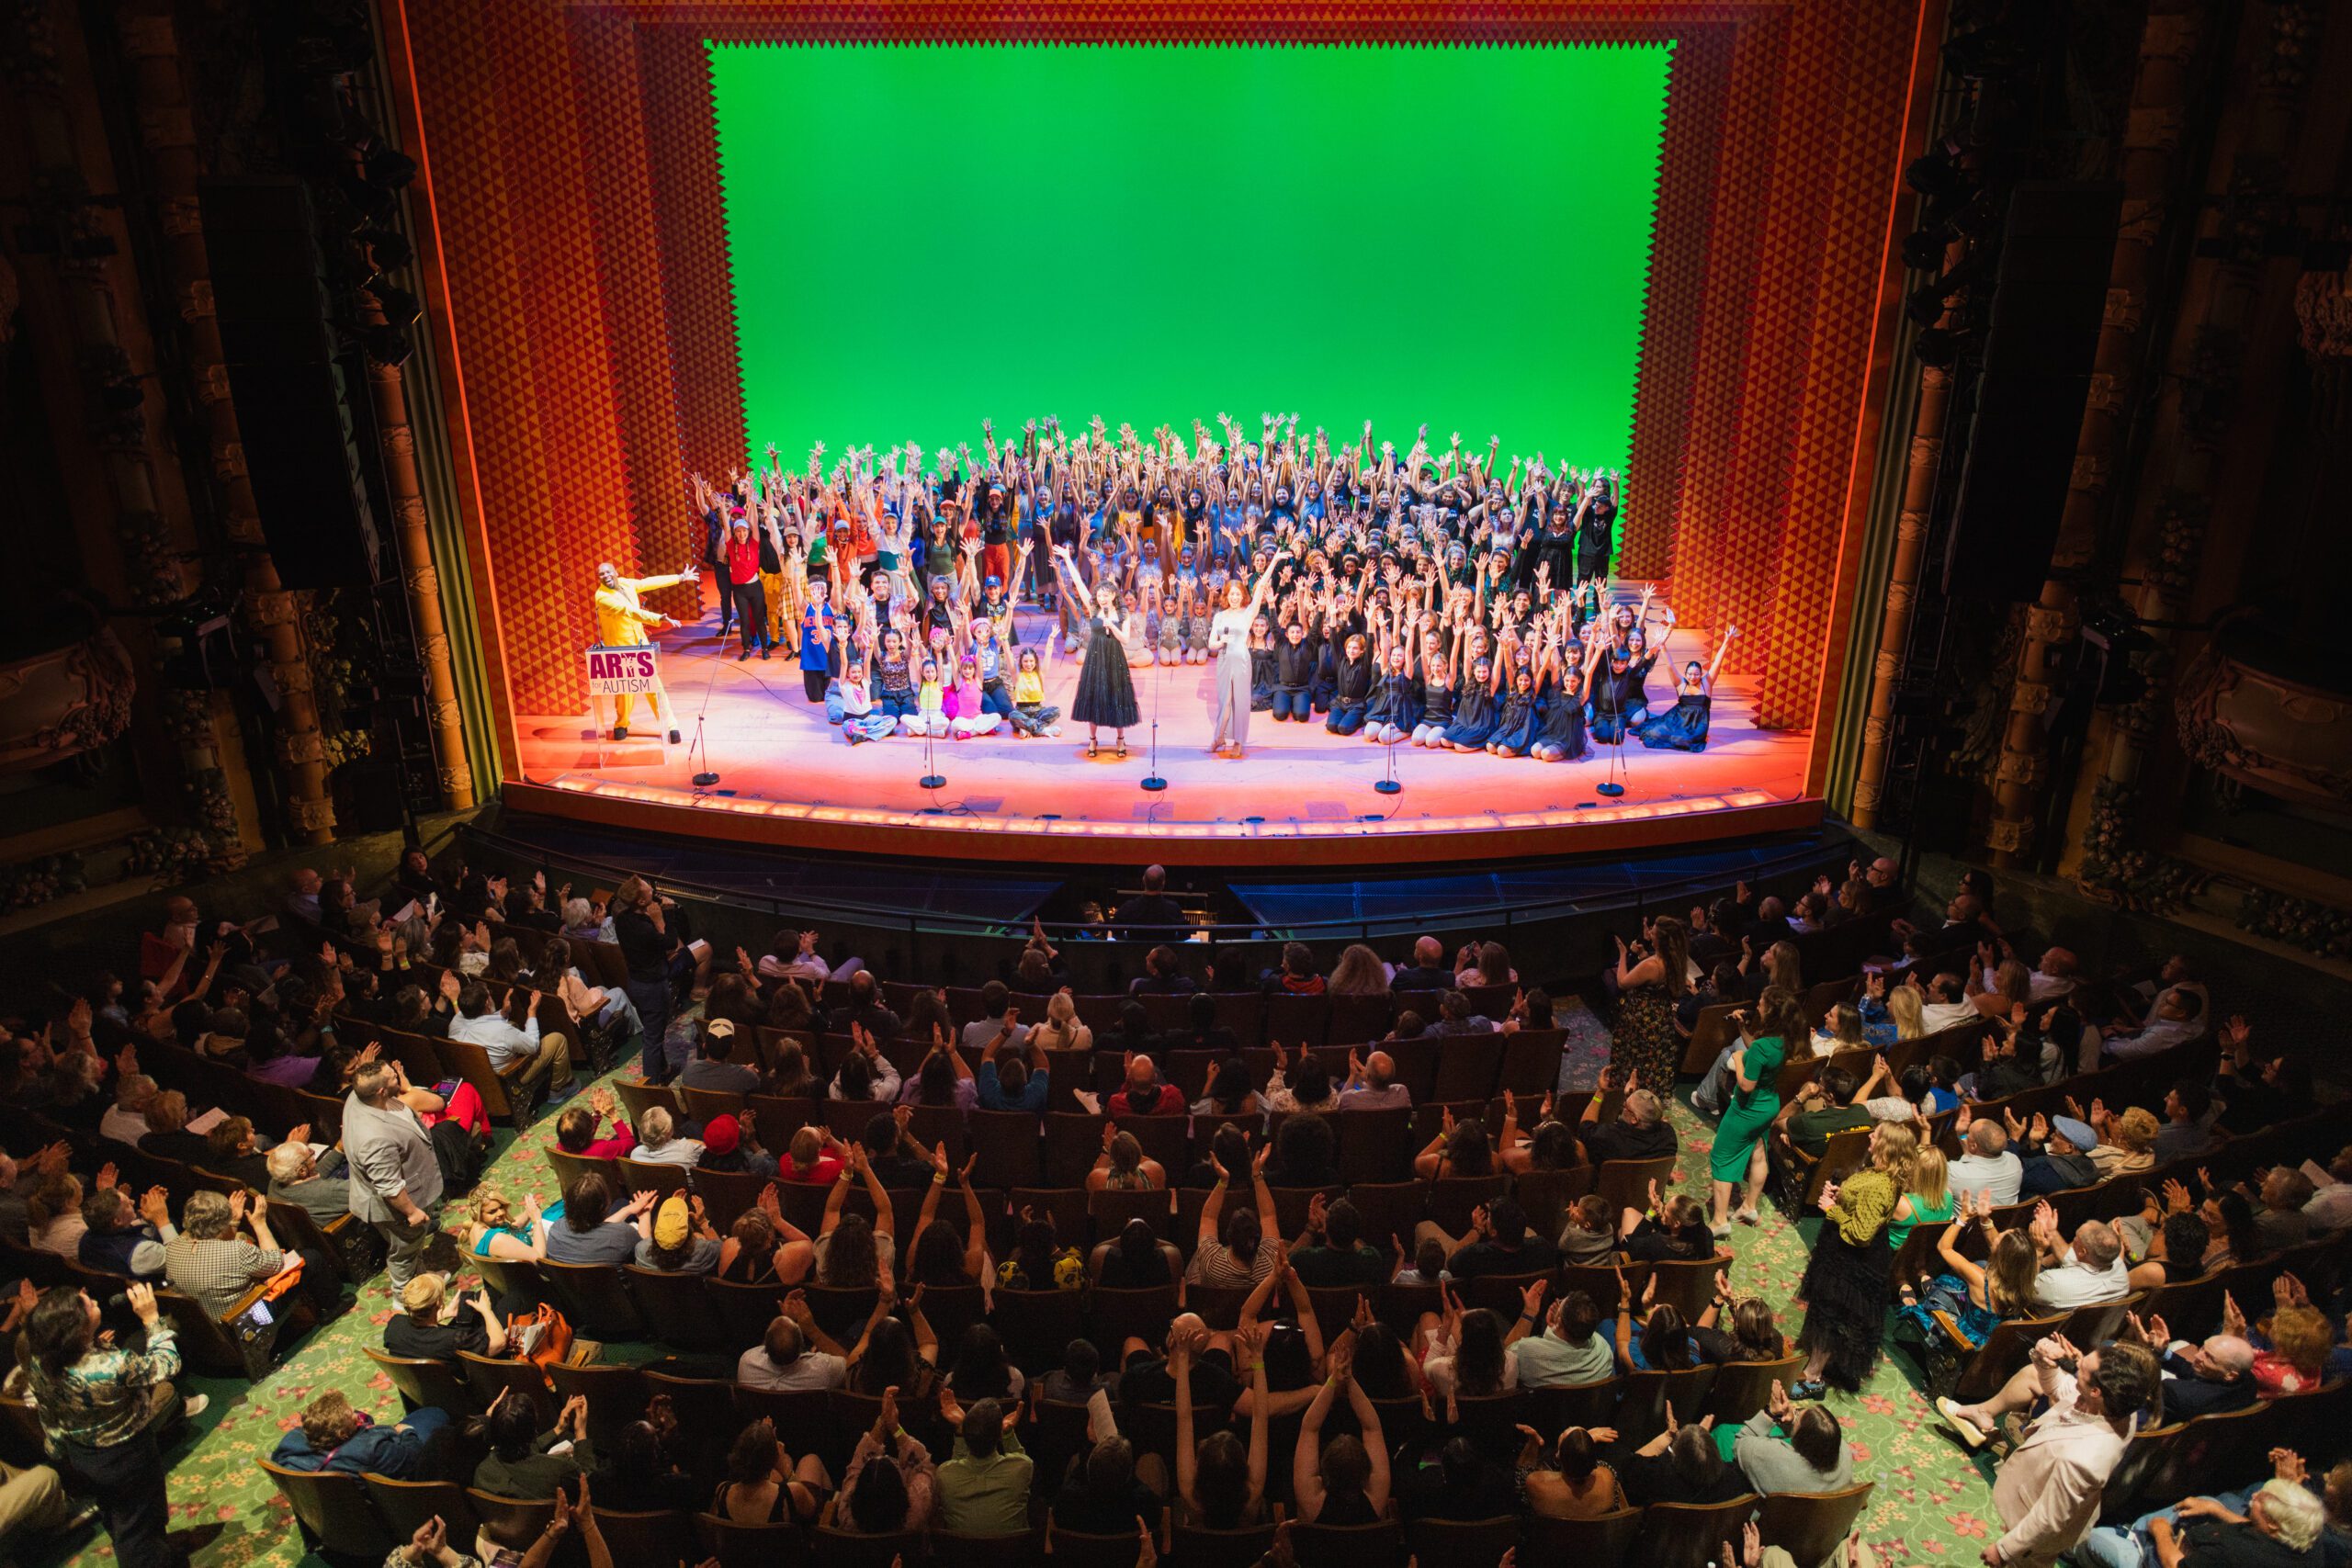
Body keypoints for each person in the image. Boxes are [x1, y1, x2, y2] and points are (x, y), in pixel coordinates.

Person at [25, 1282, 187, 1566]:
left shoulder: (42, 1360)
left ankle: (160, 1551)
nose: (90, 1299)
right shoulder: (112, 1366)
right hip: (126, 1454)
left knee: (119, 1515)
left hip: (84, 1454)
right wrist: (151, 1319)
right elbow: (168, 1364)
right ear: (78, 1328)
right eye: (85, 1304)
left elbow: (48, 1410)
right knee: (137, 1528)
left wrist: (56, 1448)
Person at [1965, 1336, 2160, 1568]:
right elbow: (2059, 1388)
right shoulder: (2118, 1406)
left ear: (2096, 1391)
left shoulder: (2083, 1459)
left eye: (2082, 1369)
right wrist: (2046, 1364)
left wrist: (2004, 1550)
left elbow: (2048, 1519)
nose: (2075, 1364)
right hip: (2034, 1489)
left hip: (2034, 1524)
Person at [1791, 1121, 1915, 1397]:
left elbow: (1860, 1233)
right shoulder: (1881, 1174)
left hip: (1853, 1259)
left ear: (1887, 1146)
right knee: (1827, 1310)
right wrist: (1842, 1198)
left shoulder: (1880, 1186)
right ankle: (1816, 1363)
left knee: (1831, 1314)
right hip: (1847, 1253)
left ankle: (1812, 1377)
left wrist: (1833, 1209)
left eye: (1876, 1134)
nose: (1870, 1135)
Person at [344, 1060, 444, 1292]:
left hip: (409, 1187)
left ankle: (423, 1282)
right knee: (404, 1252)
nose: (397, 1077)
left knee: (414, 1244)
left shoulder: (359, 1095)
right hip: (397, 1207)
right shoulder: (373, 1138)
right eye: (393, 1077)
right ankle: (404, 1299)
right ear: (381, 1091)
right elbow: (389, 1187)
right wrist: (411, 1211)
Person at [1710, 988, 1798, 1235]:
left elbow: (1746, 1084)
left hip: (1749, 1108)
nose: (1757, 1005)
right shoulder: (1783, 1039)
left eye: (1761, 1003)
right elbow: (1758, 1054)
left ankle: (1719, 1221)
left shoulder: (1762, 1048)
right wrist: (1742, 1030)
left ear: (1770, 1010)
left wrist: (1738, 1059)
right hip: (1769, 1105)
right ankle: (1749, 1206)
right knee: (1759, 1152)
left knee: (1722, 1156)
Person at [591, 558, 698, 742]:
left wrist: (679, 578)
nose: (606, 576)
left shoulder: (625, 583)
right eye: (601, 574)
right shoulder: (602, 597)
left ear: (615, 573)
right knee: (624, 691)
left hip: (640, 644)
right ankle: (621, 724)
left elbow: (648, 582)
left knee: (654, 687)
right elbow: (629, 611)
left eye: (608, 572)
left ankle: (670, 725)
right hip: (619, 649)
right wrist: (658, 618)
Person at [1054, 544, 1138, 757]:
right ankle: (1093, 740)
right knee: (1094, 696)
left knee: (1116, 695)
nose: (1101, 597)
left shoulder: (1122, 614)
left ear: (1113, 595)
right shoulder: (1092, 608)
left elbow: (1126, 639)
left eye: (1105, 594)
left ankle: (1120, 738)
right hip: (1095, 654)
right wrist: (1066, 558)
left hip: (1115, 654)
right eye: (1098, 594)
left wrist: (1112, 627)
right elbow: (1080, 584)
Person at [1207, 548, 1284, 756]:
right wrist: (1219, 641)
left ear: (1243, 596)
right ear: (1226, 596)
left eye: (1238, 594)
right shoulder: (1220, 616)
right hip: (1223, 661)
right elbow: (1211, 644)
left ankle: (1239, 741)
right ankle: (1219, 737)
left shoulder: (1248, 613)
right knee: (1224, 701)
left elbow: (1260, 587)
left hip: (1241, 661)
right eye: (1231, 594)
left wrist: (1274, 561)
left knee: (1241, 701)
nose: (1234, 597)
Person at [272, 1389, 447, 1479]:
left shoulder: (291, 1442)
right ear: (342, 1434)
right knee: (435, 1415)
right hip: (395, 1480)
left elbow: (366, 1420)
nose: (356, 1415)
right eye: (352, 1415)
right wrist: (407, 1432)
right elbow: (413, 1457)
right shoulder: (372, 1448)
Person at [934, 1388, 1032, 1536]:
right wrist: (1008, 1433)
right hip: (1010, 1557)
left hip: (961, 1557)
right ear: (998, 1436)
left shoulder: (944, 1473)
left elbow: (956, 1467)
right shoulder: (1022, 1467)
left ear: (965, 1437)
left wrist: (961, 1428)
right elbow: (1021, 1461)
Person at [1733, 1383, 1849, 1494]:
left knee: (1723, 1431)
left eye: (1798, 1419)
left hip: (1772, 1510)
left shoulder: (1773, 1457)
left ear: (1800, 1440)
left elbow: (1741, 1442)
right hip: (1815, 1511)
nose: (1796, 1414)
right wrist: (1795, 1417)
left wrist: (1770, 1413)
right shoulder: (1844, 1451)